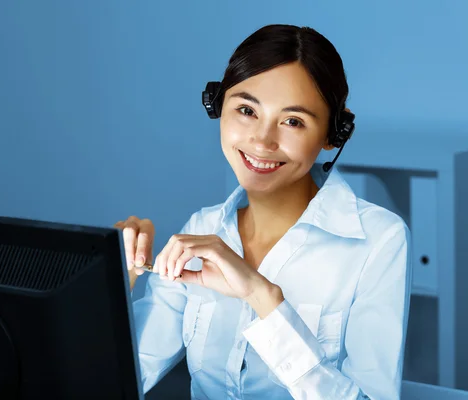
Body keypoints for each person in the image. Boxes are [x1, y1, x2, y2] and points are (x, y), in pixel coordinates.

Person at [115, 24, 412, 400]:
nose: (262, 140)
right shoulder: (202, 229)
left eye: (293, 121)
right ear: (216, 106)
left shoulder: (379, 241)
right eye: (246, 110)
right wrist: (112, 285)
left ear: (334, 133)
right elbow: (118, 381)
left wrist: (261, 295)